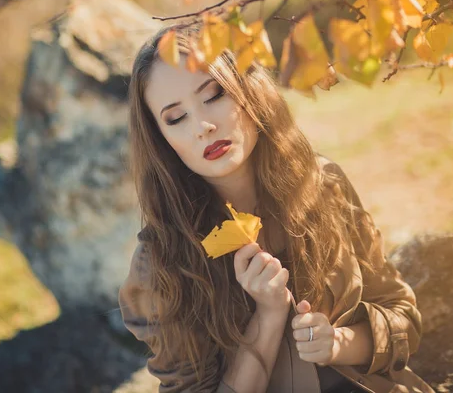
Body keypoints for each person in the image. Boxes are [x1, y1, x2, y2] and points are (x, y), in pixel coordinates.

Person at [118, 24, 434, 393]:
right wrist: (268, 317)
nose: (203, 126)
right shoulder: (161, 262)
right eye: (176, 118)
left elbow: (402, 319)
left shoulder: (323, 185)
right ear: (162, 140)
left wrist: (336, 343)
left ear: (247, 92)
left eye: (214, 94)